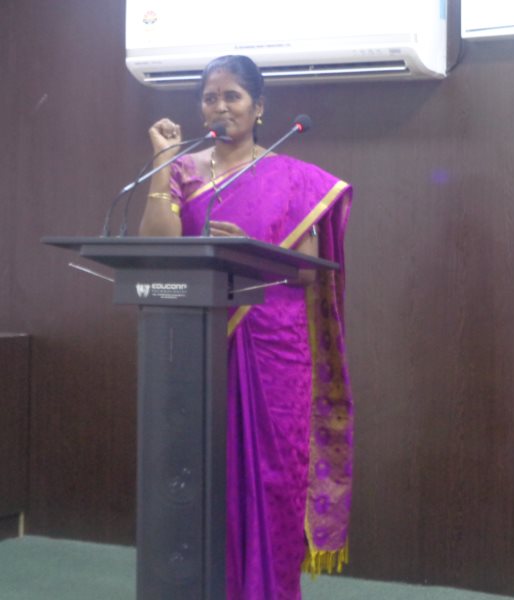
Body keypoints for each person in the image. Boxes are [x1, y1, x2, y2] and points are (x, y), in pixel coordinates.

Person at [139, 55, 354, 600]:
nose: (220, 106)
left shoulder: (295, 179)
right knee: (196, 476)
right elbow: (157, 244)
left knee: (271, 479)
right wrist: (163, 160)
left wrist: (251, 250)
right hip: (199, 345)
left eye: (232, 96)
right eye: (210, 97)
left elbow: (308, 271)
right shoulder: (183, 170)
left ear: (258, 107)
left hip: (274, 348)